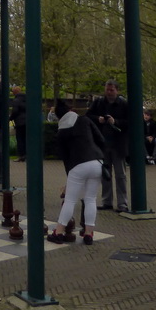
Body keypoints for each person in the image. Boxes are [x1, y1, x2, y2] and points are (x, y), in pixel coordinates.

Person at [46, 99, 105, 245]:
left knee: (70, 200)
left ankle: (58, 232)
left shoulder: (60, 133)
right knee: (90, 199)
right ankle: (89, 233)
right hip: (97, 162)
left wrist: (68, 181)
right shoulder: (85, 120)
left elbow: (65, 158)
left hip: (77, 166)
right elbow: (101, 140)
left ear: (59, 117)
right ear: (71, 110)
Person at [85, 79, 130, 213]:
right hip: (103, 144)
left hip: (118, 144)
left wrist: (115, 121)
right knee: (105, 174)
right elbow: (88, 116)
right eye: (107, 90)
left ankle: (123, 203)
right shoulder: (99, 102)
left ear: (117, 91)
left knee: (120, 175)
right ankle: (107, 201)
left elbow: (130, 122)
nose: (109, 92)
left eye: (111, 90)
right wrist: (98, 119)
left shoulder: (123, 104)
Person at [10, 86, 27, 161]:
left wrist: (10, 118)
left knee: (20, 139)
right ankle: (27, 155)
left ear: (14, 92)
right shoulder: (27, 99)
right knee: (26, 139)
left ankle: (21, 156)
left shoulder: (16, 100)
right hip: (28, 122)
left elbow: (15, 111)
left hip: (20, 122)